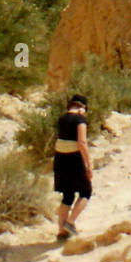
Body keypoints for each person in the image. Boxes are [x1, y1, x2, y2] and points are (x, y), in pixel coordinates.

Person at [54, 94, 92, 239]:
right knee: (86, 191)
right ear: (82, 107)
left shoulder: (61, 119)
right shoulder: (80, 120)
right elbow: (82, 142)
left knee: (67, 195)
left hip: (60, 158)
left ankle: (61, 231)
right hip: (74, 158)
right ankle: (70, 223)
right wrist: (88, 164)